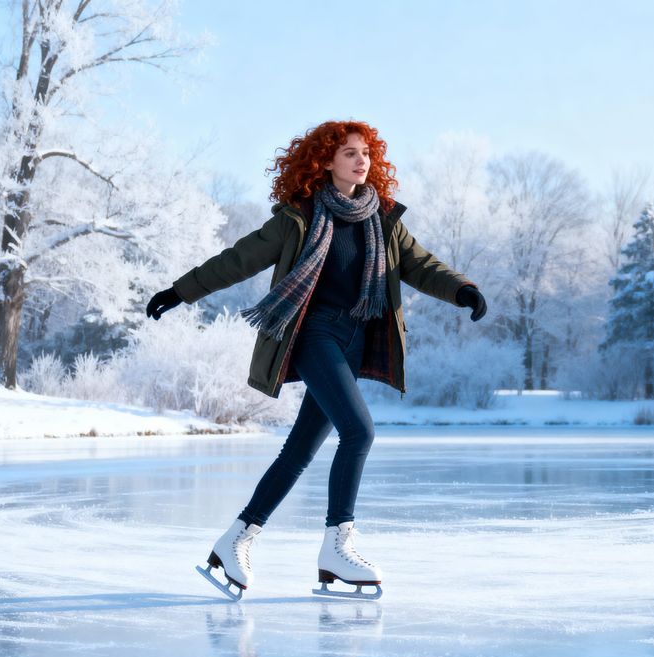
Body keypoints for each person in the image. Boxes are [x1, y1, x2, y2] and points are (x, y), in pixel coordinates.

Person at [144, 120, 488, 601]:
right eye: (349, 153)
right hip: (312, 334)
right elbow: (238, 258)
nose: (360, 161)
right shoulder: (299, 216)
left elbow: (418, 263)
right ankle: (338, 546)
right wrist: (181, 291)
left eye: (365, 153)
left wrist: (462, 289)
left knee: (299, 451)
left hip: (353, 339)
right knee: (360, 431)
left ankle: (234, 541)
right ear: (325, 161)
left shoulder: (383, 217)